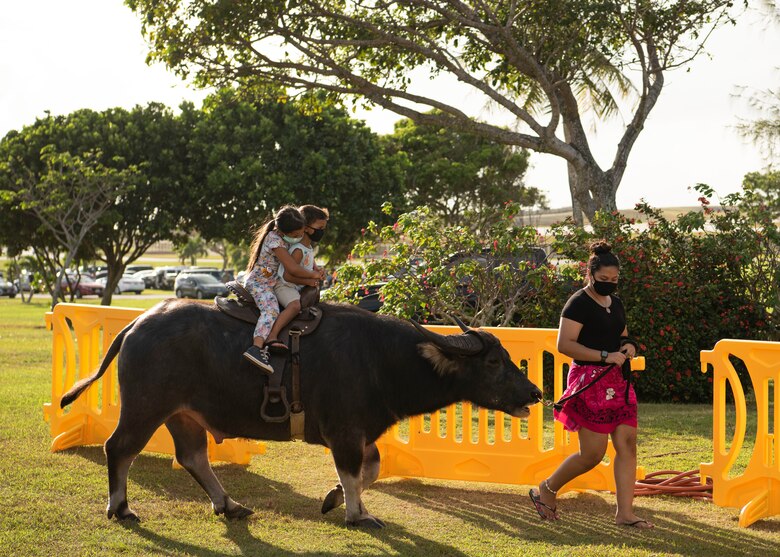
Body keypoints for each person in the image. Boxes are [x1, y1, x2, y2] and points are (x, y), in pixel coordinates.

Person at [529, 241, 654, 529]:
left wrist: (629, 347)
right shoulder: (578, 303)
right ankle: (547, 488)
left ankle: (625, 514)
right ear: (590, 274)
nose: (609, 285)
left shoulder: (617, 302)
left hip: (618, 381)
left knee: (627, 444)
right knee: (593, 454)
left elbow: (623, 335)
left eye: (614, 280)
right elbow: (565, 345)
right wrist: (603, 356)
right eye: (604, 280)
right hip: (589, 381)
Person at [241, 205, 324, 374]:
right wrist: (313, 276)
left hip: (270, 282)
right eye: (295, 235)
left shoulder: (284, 237)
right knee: (270, 311)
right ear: (283, 231)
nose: (299, 237)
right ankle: (256, 348)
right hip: (260, 284)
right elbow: (292, 269)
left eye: (301, 233)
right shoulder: (275, 241)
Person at [270, 205, 329, 341]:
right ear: (306, 227)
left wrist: (318, 272)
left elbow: (310, 269)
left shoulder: (308, 248)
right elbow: (288, 276)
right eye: (320, 229)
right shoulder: (298, 250)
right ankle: (273, 335)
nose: (322, 232)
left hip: (294, 286)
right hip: (285, 286)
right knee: (295, 306)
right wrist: (308, 281)